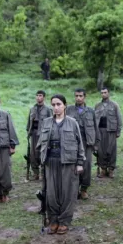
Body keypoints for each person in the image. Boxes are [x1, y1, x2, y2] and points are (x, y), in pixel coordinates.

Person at [37, 94, 85, 234]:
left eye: (58, 104)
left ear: (65, 105)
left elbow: (79, 145)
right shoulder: (46, 123)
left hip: (68, 163)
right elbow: (40, 144)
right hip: (50, 163)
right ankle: (53, 220)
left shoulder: (72, 123)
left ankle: (64, 221)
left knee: (67, 193)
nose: (56, 107)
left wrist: (79, 163)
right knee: (51, 193)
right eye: (53, 105)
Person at [67, 89, 97, 199]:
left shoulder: (91, 111)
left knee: (86, 166)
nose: (78, 98)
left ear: (85, 97)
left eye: (80, 96)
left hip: (87, 143)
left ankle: (84, 189)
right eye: (76, 96)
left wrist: (96, 144)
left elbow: (95, 128)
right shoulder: (69, 110)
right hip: (73, 143)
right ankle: (74, 188)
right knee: (73, 166)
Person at [94, 87, 122, 178]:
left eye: (105, 92)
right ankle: (103, 169)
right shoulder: (97, 105)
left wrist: (118, 130)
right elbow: (94, 119)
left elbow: (119, 118)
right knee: (100, 150)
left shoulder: (114, 105)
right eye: (102, 93)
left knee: (111, 150)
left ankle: (111, 169)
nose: (103, 94)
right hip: (100, 131)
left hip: (111, 130)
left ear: (108, 93)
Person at [26, 90, 51, 180]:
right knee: (33, 154)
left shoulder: (48, 109)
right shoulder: (32, 109)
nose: (38, 97)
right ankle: (35, 173)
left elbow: (51, 122)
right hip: (34, 133)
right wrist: (28, 132)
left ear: (44, 97)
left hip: (43, 134)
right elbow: (29, 122)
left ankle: (43, 172)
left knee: (43, 153)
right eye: (37, 95)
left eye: (40, 95)